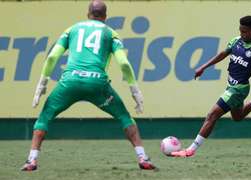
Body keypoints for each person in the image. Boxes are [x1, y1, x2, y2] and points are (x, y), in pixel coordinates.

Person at [21, 0, 156, 171]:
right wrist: (134, 90)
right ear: (106, 17)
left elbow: (51, 57)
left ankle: (31, 160)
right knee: (124, 117)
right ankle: (142, 157)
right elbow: (124, 64)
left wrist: (42, 84)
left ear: (88, 14)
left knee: (44, 117)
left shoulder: (72, 29)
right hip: (97, 84)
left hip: (69, 83)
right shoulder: (111, 33)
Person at [171, 15, 251, 157]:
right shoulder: (236, 41)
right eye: (240, 30)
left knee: (212, 115)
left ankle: (190, 150)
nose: (242, 34)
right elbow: (222, 54)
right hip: (231, 87)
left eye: (245, 31)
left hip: (238, 89)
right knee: (238, 117)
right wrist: (203, 67)